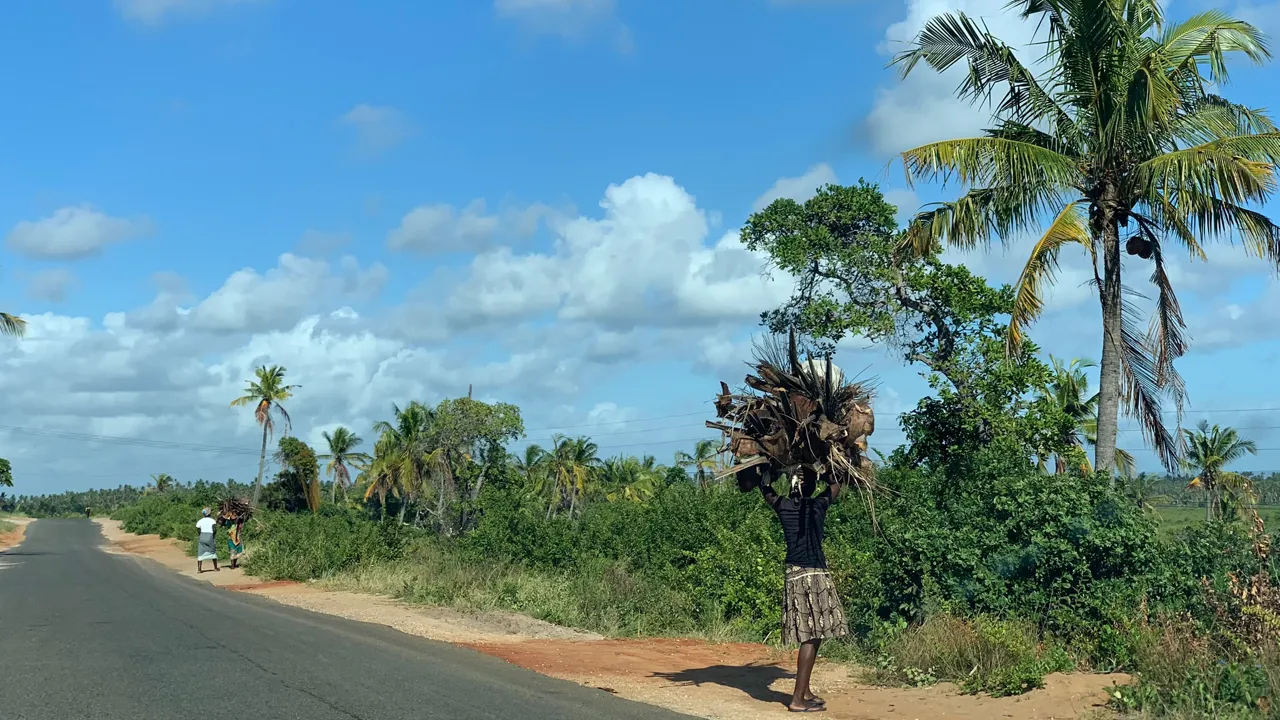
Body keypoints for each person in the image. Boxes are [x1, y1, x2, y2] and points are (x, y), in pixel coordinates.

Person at [759, 471, 848, 713]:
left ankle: (805, 691)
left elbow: (766, 490)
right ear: (809, 487)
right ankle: (797, 699)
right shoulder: (818, 506)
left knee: (813, 635)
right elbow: (835, 485)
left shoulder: (784, 506)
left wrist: (767, 474)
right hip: (815, 575)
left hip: (795, 574)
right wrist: (826, 470)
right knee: (811, 635)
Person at [196, 508, 220, 573]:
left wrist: (201, 535)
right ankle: (215, 568)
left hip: (202, 536)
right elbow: (214, 530)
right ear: (209, 513)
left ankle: (199, 569)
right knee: (212, 551)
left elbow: (198, 529)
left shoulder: (200, 521)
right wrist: (213, 536)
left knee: (200, 552)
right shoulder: (212, 521)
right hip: (210, 536)